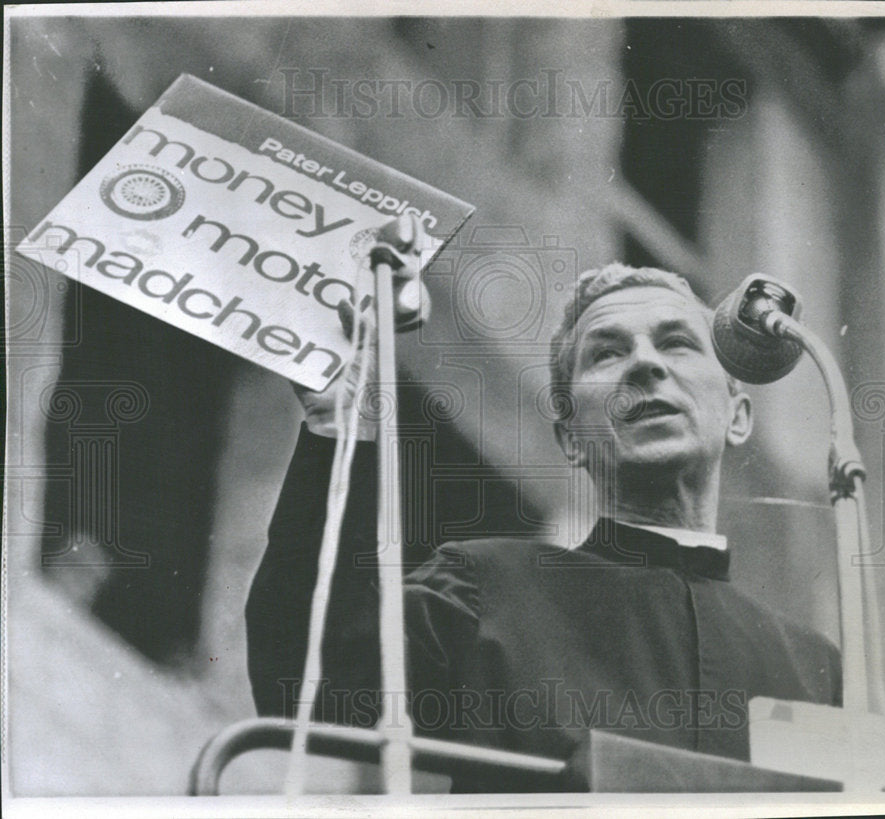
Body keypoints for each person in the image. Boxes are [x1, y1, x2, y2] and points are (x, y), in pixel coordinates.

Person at [245, 235, 841, 792]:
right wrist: (340, 423)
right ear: (572, 438)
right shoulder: (485, 587)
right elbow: (309, 690)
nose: (644, 364)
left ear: (737, 417)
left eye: (676, 342)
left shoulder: (814, 669)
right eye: (607, 352)